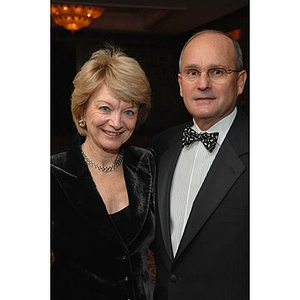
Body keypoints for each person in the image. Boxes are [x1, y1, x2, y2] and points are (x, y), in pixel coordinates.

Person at [51, 45, 155, 300]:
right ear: (82, 111)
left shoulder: (147, 164)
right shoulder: (52, 174)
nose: (117, 123)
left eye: (128, 111)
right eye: (105, 108)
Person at [152, 30, 249, 299]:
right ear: (181, 83)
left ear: (240, 82)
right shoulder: (162, 146)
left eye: (217, 72)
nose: (202, 83)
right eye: (192, 72)